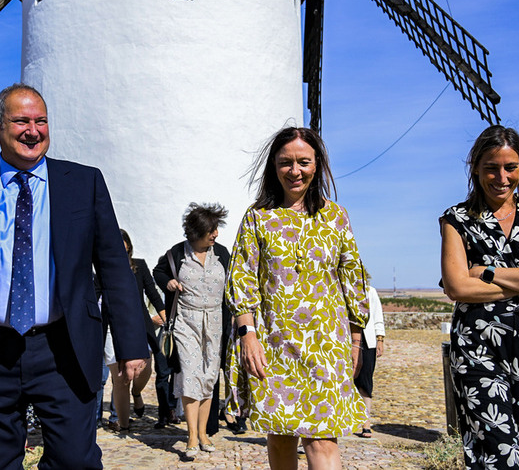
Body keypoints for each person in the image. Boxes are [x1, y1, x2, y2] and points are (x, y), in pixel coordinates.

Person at [0, 83, 148, 470]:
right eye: (21, 121)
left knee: (75, 461)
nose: (33, 131)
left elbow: (113, 267)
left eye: (41, 121)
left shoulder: (84, 183)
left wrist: (131, 343)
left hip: (64, 348)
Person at [226, 126, 369, 470]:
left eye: (303, 162)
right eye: (285, 163)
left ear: (317, 165)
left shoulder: (337, 217)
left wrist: (355, 339)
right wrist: (248, 335)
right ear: (273, 167)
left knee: (322, 439)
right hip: (271, 344)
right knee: (280, 436)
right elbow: (242, 278)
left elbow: (353, 278)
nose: (294, 170)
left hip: (326, 345)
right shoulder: (257, 216)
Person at [440, 125, 519, 470]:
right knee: (495, 453)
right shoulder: (456, 220)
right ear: (476, 169)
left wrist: (487, 272)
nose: (501, 176)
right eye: (491, 168)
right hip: (477, 348)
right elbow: (458, 288)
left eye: (510, 167)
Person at [154, 203, 230, 460]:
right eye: (211, 230)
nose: (216, 234)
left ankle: (204, 433)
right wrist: (169, 282)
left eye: (216, 229)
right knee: (190, 374)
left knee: (209, 377)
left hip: (215, 323)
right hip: (186, 322)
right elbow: (159, 271)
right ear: (196, 232)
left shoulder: (222, 253)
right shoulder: (177, 253)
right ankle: (191, 436)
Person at [104, 229, 166, 433]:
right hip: (112, 328)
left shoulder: (139, 266)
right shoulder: (102, 268)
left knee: (144, 370)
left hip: (138, 326)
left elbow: (152, 292)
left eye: (124, 245)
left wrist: (164, 315)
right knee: (120, 378)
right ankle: (123, 423)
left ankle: (137, 394)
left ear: (128, 246)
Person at [353, 284, 384, 438]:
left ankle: (366, 423)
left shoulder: (370, 291)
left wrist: (380, 339)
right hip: (343, 340)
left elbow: (377, 315)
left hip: (367, 340)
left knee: (365, 381)